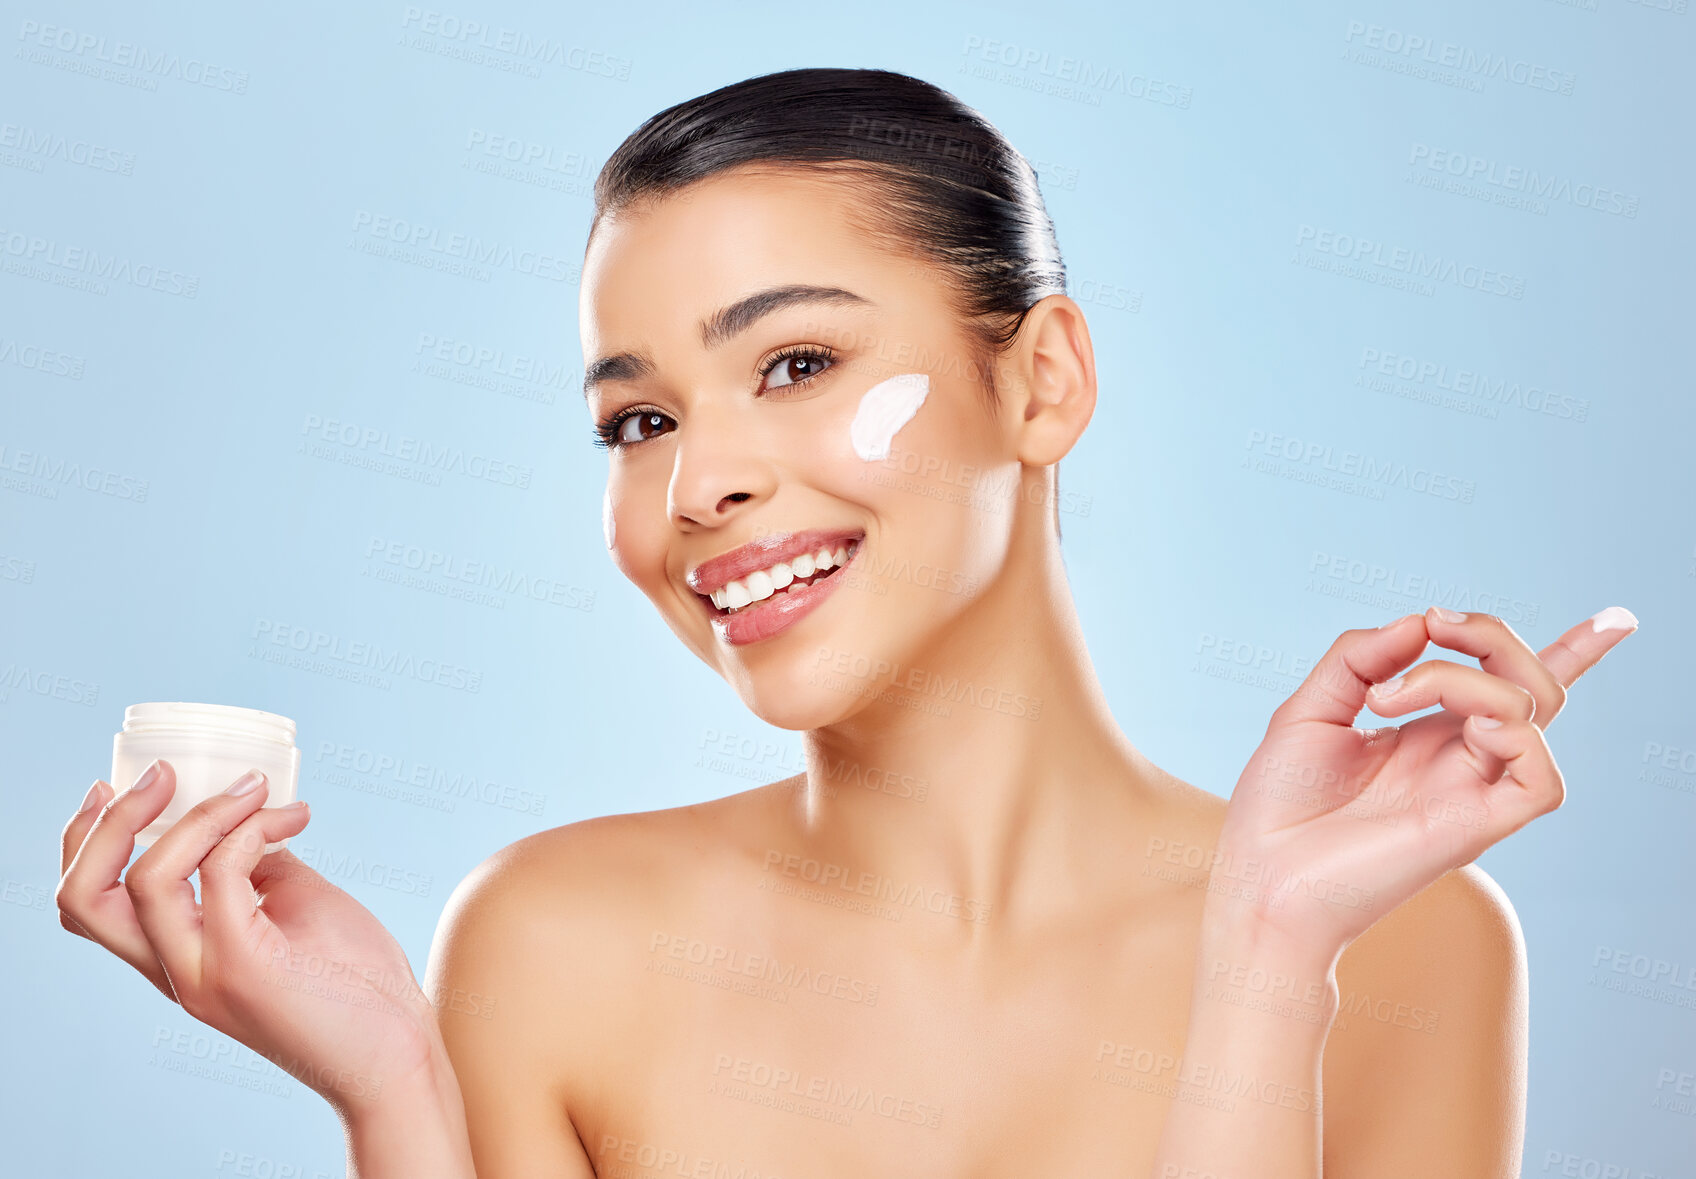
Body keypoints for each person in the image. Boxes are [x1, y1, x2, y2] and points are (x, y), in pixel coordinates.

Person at [56, 67, 1638, 1178]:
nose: (698, 483)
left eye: (796, 364)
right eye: (636, 422)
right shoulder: (552, 944)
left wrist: (1271, 956)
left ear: (1042, 381)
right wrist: (396, 1093)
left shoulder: (1409, 944)